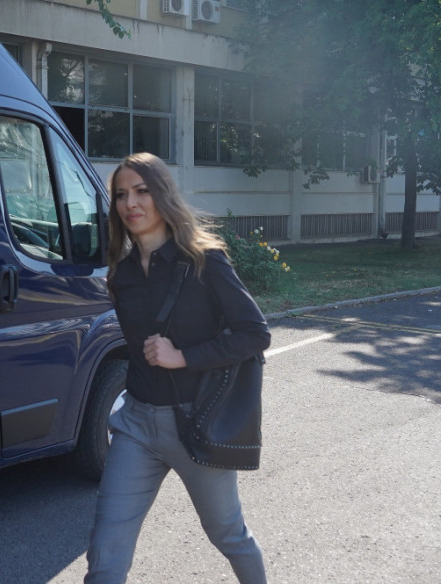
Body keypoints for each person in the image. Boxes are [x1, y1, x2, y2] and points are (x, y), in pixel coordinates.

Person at [84, 152, 270, 584]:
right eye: (121, 195)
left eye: (141, 191)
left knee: (230, 535)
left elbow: (255, 334)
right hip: (136, 425)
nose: (131, 203)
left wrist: (183, 356)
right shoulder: (121, 274)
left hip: (194, 425)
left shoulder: (205, 260)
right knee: (105, 556)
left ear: (162, 193)